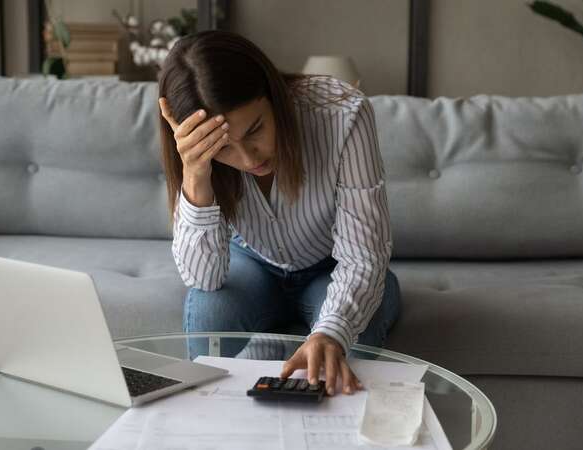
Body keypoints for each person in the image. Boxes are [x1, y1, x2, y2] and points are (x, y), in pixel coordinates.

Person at [157, 30, 401, 396]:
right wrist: (196, 173)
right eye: (222, 148)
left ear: (273, 93)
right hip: (252, 263)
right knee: (209, 311)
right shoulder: (198, 158)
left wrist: (330, 331)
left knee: (349, 338)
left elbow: (363, 257)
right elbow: (203, 278)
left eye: (255, 129)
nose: (249, 158)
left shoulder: (344, 114)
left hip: (331, 268)